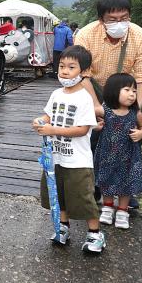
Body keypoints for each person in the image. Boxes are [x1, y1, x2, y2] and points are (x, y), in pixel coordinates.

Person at [75, 0, 142, 209]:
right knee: (93, 139)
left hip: (125, 92)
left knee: (129, 141)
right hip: (93, 88)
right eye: (112, 19)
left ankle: (126, 190)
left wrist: (134, 109)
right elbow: (82, 74)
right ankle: (96, 186)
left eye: (124, 17)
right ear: (101, 19)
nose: (119, 23)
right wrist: (96, 106)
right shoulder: (86, 35)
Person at [32, 45, 105, 254]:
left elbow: (82, 130)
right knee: (59, 195)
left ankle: (95, 234)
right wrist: (39, 121)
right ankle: (63, 228)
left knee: (83, 199)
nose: (64, 71)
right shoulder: (56, 94)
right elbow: (47, 116)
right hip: (56, 157)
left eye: (71, 67)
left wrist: (51, 128)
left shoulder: (84, 98)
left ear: (84, 72)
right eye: (62, 66)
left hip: (78, 161)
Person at [94, 73, 142, 229]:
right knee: (106, 180)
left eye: (134, 90)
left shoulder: (135, 113)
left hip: (128, 156)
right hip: (107, 155)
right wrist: (95, 124)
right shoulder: (105, 110)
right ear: (113, 91)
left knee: (126, 183)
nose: (132, 94)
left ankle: (122, 211)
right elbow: (88, 113)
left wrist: (141, 133)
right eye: (127, 90)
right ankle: (108, 207)